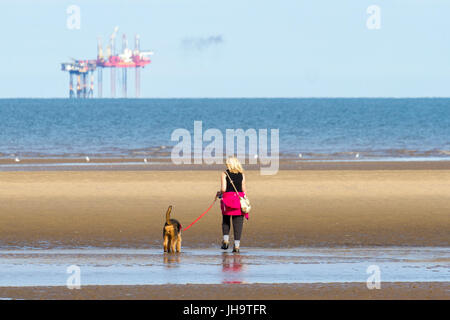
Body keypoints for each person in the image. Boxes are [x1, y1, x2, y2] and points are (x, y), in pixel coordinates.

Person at [216, 156, 247, 253]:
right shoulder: (242, 174)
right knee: (238, 223)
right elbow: (243, 189)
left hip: (227, 199)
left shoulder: (224, 174)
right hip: (238, 199)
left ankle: (225, 240)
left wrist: (219, 193)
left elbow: (223, 189)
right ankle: (237, 246)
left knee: (226, 219)